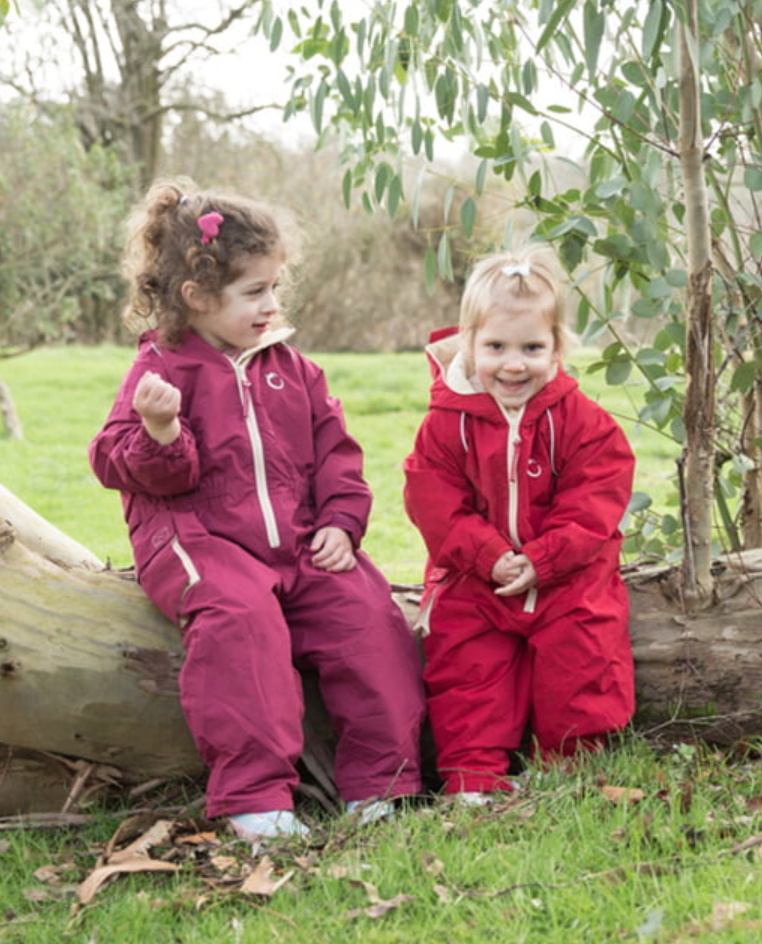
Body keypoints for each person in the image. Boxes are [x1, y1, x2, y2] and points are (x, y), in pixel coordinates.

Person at [89, 178, 425, 840]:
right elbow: (112, 459)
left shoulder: (292, 368)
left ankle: (380, 785)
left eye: (275, 287)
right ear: (197, 297)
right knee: (241, 623)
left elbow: (337, 454)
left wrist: (338, 522)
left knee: (368, 618)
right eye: (254, 292)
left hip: (297, 539)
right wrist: (161, 433)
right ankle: (254, 798)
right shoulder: (162, 368)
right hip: (197, 539)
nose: (272, 303)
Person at [403, 246, 635, 802]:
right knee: (468, 670)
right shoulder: (446, 423)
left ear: (557, 347)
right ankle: (472, 777)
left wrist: (545, 558)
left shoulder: (581, 420)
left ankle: (570, 768)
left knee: (582, 658)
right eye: (496, 347)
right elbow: (432, 498)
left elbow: (597, 495)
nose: (514, 364)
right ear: (469, 343)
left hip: (565, 574)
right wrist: (487, 556)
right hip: (475, 576)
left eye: (533, 348)